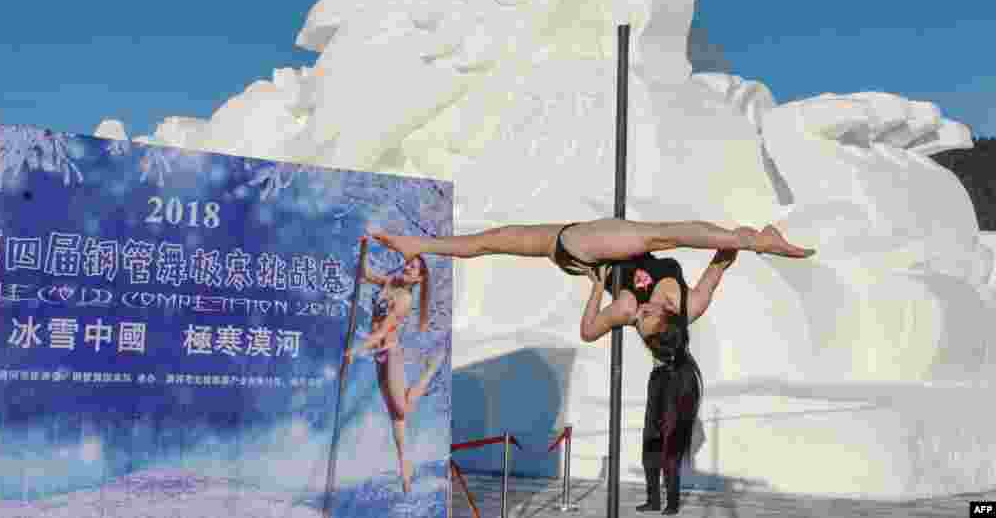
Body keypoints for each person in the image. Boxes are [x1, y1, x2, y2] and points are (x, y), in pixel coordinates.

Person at [578, 247, 739, 514]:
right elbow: (719, 264)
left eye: (642, 318)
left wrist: (597, 285)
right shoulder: (688, 306)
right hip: (660, 377)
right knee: (651, 440)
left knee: (670, 447)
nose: (640, 313)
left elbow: (722, 260)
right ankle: (654, 498)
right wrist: (738, 240)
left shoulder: (632, 308)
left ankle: (672, 503)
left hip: (677, 378)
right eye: (645, 316)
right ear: (667, 316)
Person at [370, 218, 813, 275]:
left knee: (663, 234)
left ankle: (753, 240)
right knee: (664, 234)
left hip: (568, 246)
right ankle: (753, 240)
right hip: (572, 247)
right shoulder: (652, 303)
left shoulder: (637, 306)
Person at [345, 238, 444, 494]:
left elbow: (382, 332)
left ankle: (430, 371)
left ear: (419, 279)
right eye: (408, 263)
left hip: (390, 353)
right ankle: (406, 479)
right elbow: (364, 274)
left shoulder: (405, 300)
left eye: (413, 268)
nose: (407, 267)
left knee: (401, 410)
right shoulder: (390, 283)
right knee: (396, 422)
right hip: (379, 354)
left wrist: (357, 349)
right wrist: (365, 247)